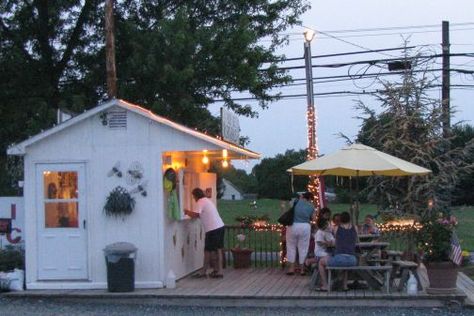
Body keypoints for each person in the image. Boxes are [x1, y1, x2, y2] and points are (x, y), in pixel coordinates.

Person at [184, 188, 225, 278]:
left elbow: (196, 214)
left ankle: (208, 272)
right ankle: (216, 270)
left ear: (196, 196)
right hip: (219, 226)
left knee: (209, 251)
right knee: (216, 250)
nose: (193, 198)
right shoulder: (206, 200)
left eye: (193, 196)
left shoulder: (201, 201)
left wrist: (186, 212)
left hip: (213, 229)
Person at [319, 211, 358, 291]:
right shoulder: (355, 227)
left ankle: (325, 285)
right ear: (349, 219)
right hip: (352, 260)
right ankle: (345, 286)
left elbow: (333, 239)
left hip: (340, 258)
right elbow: (356, 241)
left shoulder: (336, 228)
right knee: (345, 264)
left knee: (321, 262)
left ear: (340, 220)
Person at [286, 191, 316, 276]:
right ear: (310, 198)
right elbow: (313, 219)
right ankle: (302, 269)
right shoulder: (311, 206)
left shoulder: (295, 202)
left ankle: (291, 268)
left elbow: (289, 206)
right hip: (305, 226)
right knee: (303, 247)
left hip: (293, 225)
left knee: (291, 246)